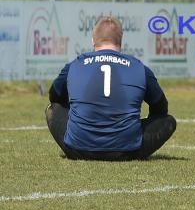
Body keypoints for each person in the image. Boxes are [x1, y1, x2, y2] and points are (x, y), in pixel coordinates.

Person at [45, 15, 177, 161]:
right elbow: (160, 108)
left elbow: (55, 97)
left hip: (78, 148)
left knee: (53, 109)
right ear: (120, 41)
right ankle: (127, 139)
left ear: (93, 40)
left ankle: (80, 136)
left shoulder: (74, 65)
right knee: (168, 121)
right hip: (127, 151)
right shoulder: (139, 68)